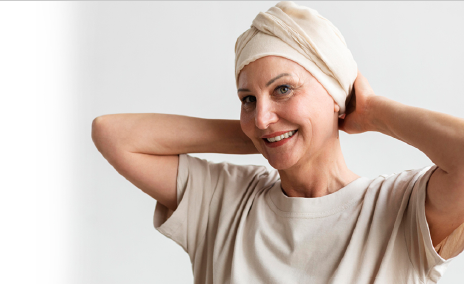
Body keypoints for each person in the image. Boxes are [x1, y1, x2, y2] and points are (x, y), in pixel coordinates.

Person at [91, 2, 463, 283]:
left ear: (335, 95)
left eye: (283, 89)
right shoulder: (224, 201)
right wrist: (265, 133)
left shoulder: (402, 211)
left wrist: (372, 111)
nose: (261, 114)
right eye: (248, 100)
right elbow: (113, 134)